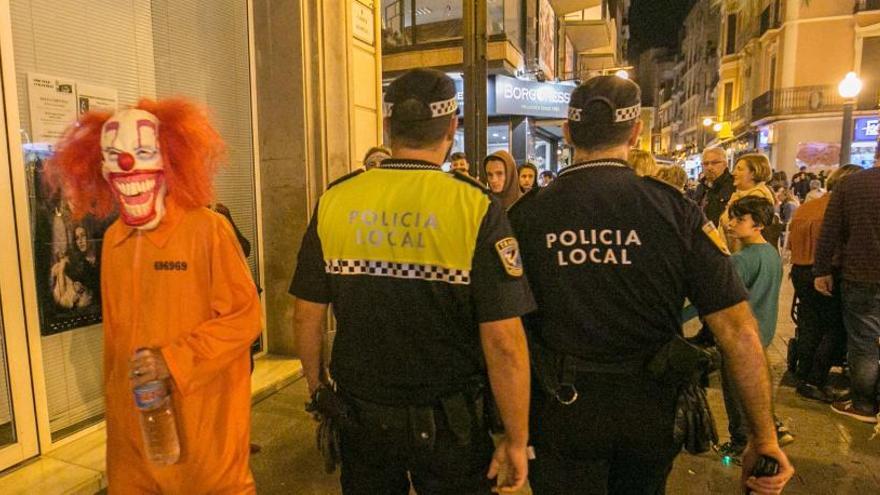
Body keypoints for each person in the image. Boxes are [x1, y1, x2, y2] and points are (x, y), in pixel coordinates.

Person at [508, 75, 793, 494]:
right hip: (650, 407)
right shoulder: (674, 211)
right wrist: (763, 439)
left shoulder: (528, 215)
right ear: (636, 132)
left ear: (567, 132)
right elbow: (738, 330)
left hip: (559, 407)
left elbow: (502, 329)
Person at [290, 68, 534, 494]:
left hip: (360, 417)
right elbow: (504, 342)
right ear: (452, 127)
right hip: (451, 425)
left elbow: (306, 315)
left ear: (389, 126)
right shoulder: (474, 206)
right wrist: (515, 438)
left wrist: (318, 390)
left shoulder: (336, 200)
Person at [47, 99, 263, 493]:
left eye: (144, 152)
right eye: (115, 156)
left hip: (203, 437)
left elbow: (245, 318)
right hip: (136, 437)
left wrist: (173, 360)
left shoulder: (208, 230)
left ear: (172, 159)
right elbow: (116, 341)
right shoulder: (114, 239)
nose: (128, 165)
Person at [713, 196, 790, 461]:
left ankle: (739, 442)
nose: (732, 224)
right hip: (763, 331)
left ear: (758, 225)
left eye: (740, 219)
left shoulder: (741, 260)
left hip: (740, 336)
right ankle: (769, 427)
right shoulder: (770, 253)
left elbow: (719, 298)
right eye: (732, 217)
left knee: (735, 392)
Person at [788, 165, 862, 402]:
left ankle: (803, 374)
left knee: (809, 323)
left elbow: (791, 244)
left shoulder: (806, 208)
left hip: (800, 271)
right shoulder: (838, 210)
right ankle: (816, 378)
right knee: (835, 327)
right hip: (825, 273)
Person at [815, 160, 880, 424]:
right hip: (861, 274)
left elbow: (830, 231)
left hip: (861, 273)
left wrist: (821, 270)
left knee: (864, 343)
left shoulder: (852, 184)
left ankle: (864, 404)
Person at [719, 153, 776, 252]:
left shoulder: (757, 198)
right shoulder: (739, 194)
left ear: (753, 173)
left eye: (740, 169)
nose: (733, 173)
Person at [698, 147, 735, 227]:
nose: (709, 167)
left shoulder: (733, 186)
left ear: (725, 164)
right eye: (706, 163)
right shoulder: (700, 187)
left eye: (714, 163)